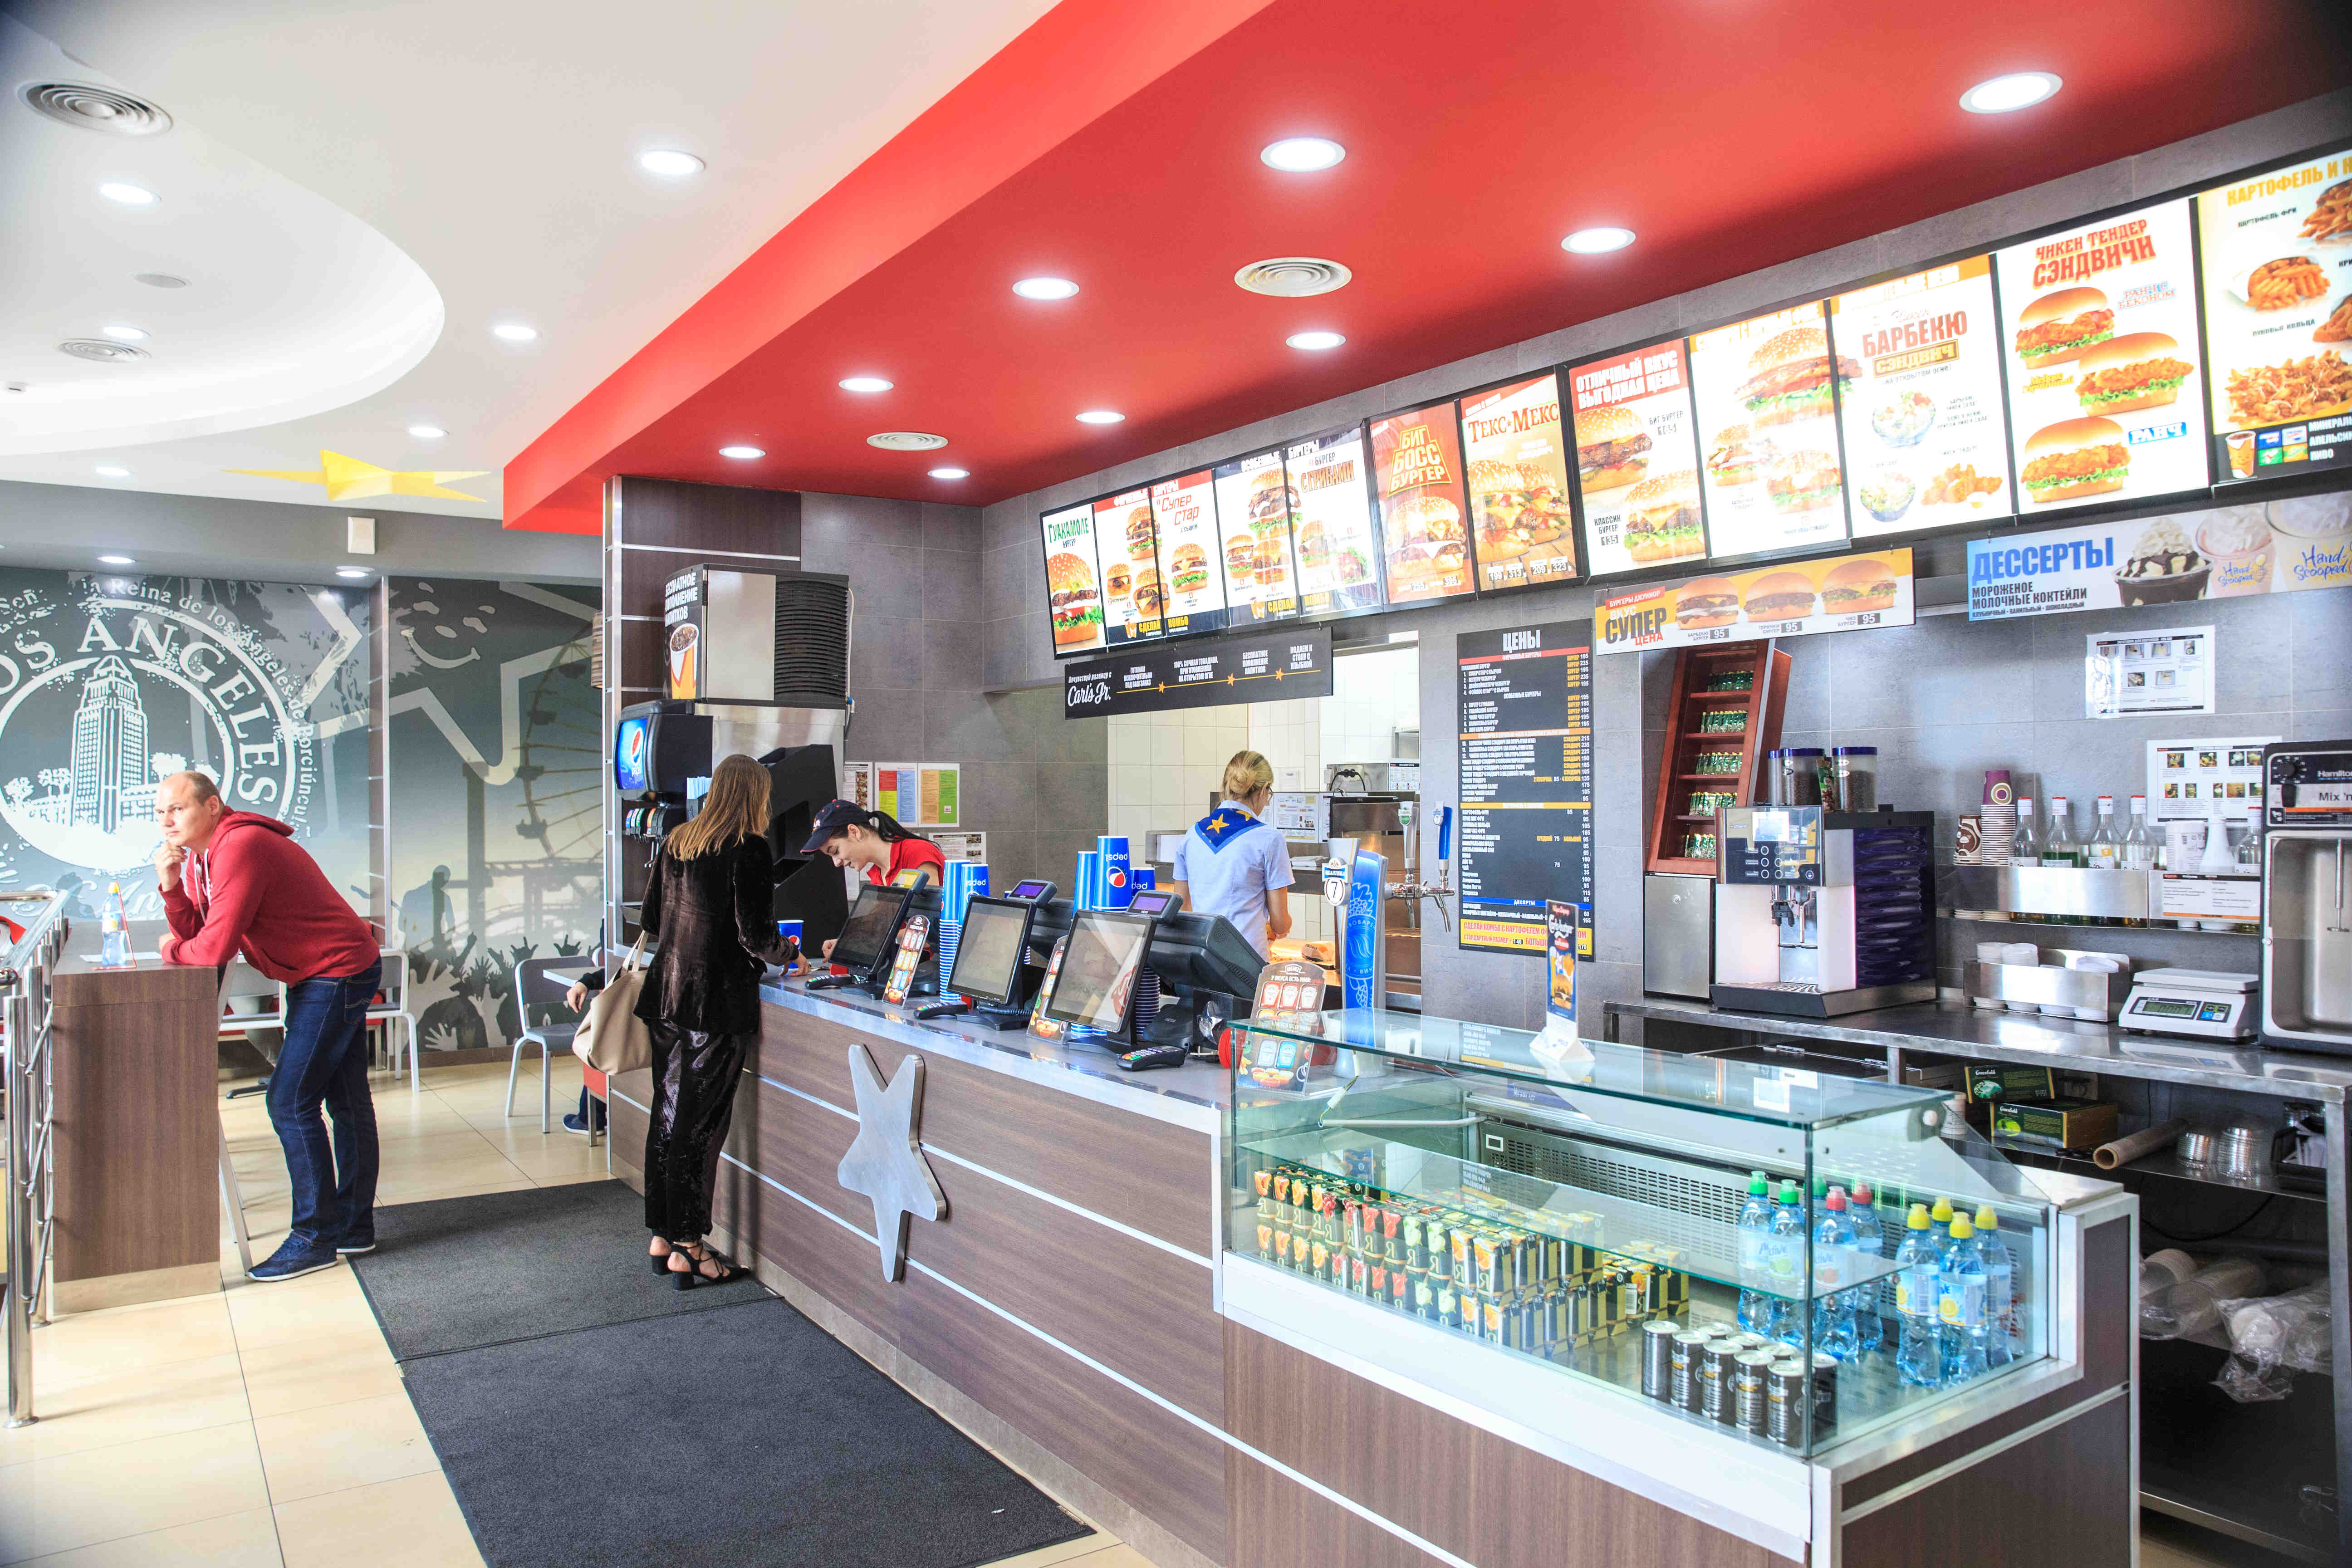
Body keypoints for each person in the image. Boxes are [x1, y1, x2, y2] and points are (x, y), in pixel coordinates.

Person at [155, 771, 384, 1281]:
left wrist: (170, 950)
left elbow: (211, 949)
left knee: (289, 1100)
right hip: (318, 971)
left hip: (337, 970)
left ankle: (314, 1238)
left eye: (177, 808)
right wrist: (171, 888)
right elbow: (204, 933)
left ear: (212, 806)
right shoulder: (202, 858)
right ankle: (352, 1228)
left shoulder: (241, 846)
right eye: (160, 812)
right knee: (345, 1102)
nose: (166, 821)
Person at [637, 754, 799, 1286]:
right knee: (699, 1127)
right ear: (754, 795)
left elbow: (651, 919)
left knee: (667, 1114)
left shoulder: (679, 840)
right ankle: (689, 1246)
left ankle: (662, 1235)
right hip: (715, 1004)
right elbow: (755, 935)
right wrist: (790, 953)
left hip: (666, 996)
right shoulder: (748, 848)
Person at [1168, 750, 1294, 959]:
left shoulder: (1192, 836)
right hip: (1246, 964)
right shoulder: (1269, 839)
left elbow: (1182, 909)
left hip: (1202, 959)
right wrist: (1284, 924)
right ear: (1263, 791)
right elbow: (1280, 924)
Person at [799, 799, 946, 960]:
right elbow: (883, 928)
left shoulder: (916, 853)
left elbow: (930, 932)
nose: (836, 863)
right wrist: (847, 942)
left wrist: (865, 942)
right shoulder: (877, 874)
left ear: (854, 831)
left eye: (835, 851)